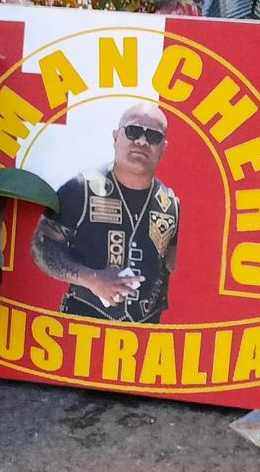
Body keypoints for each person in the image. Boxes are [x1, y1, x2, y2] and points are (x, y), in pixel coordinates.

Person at [32, 102, 180, 323]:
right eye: (133, 131)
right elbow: (43, 246)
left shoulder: (170, 204)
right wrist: (92, 279)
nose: (141, 141)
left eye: (153, 136)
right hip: (83, 325)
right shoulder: (81, 188)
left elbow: (173, 265)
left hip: (146, 335)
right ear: (116, 137)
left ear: (163, 148)